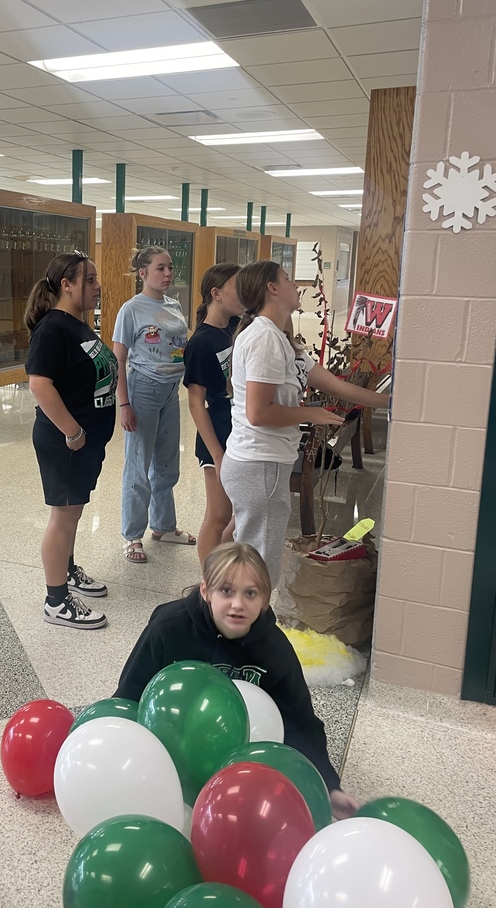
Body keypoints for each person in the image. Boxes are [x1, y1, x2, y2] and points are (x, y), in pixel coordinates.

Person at [115, 541, 359, 820]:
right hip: (170, 755)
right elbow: (128, 698)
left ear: (265, 599)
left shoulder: (273, 648)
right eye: (226, 591)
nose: (238, 604)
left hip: (238, 769)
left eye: (250, 593)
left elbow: (301, 722)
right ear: (206, 591)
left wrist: (328, 786)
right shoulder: (168, 630)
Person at [221, 260, 390, 587]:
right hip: (260, 464)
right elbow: (259, 413)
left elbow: (334, 384)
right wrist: (309, 414)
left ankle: (230, 619)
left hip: (264, 464)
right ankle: (251, 628)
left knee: (247, 554)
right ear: (271, 288)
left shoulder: (282, 339)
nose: (295, 285)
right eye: (287, 278)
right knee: (260, 565)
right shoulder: (264, 339)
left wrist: (390, 402)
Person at [25, 250, 117, 630]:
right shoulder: (53, 328)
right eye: (90, 279)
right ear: (67, 284)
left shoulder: (77, 324)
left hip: (85, 442)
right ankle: (56, 600)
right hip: (65, 442)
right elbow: (39, 384)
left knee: (73, 513)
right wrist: (74, 432)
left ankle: (67, 569)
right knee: (63, 516)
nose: (98, 286)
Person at [113, 246, 194, 563]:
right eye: (160, 268)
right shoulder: (131, 310)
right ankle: (132, 536)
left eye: (170, 267)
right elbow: (119, 359)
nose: (168, 273)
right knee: (138, 466)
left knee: (166, 462)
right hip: (142, 390)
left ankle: (163, 526)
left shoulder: (174, 305)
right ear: (143, 273)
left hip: (171, 390)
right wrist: (124, 404)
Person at [183, 262, 245, 565]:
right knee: (219, 514)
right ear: (216, 293)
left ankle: (221, 569)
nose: (244, 294)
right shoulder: (201, 343)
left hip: (241, 430)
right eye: (238, 287)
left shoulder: (236, 328)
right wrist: (217, 455)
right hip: (218, 434)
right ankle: (208, 584)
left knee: (237, 511)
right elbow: (196, 404)